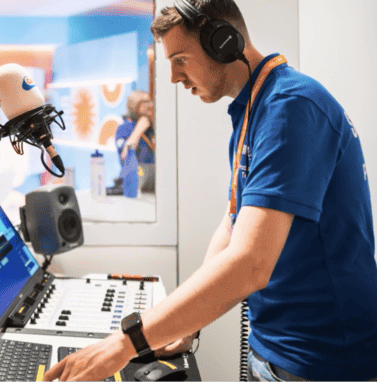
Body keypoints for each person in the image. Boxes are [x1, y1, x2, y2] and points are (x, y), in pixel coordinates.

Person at [43, 1, 377, 381]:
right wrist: (182, 324)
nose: (172, 77)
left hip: (321, 360)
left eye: (181, 59)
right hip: (277, 348)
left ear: (223, 41)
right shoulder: (254, 108)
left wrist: (124, 343)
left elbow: (250, 262)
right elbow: (234, 222)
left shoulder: (292, 107)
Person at [114, 91, 155, 197]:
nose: (150, 105)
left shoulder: (151, 128)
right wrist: (138, 131)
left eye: (150, 101)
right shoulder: (124, 128)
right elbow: (124, 156)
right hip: (133, 188)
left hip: (151, 187)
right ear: (134, 105)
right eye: (145, 102)